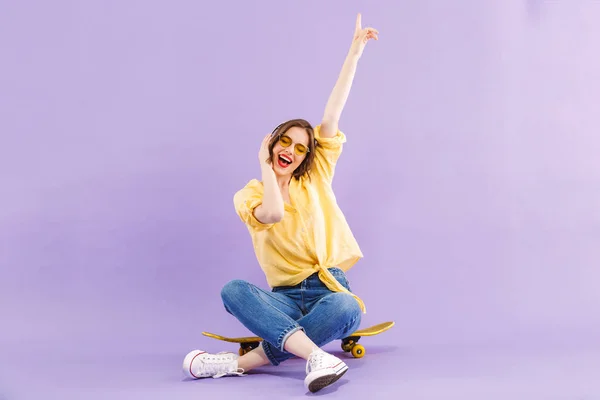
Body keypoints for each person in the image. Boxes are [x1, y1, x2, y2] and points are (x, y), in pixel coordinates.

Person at [182, 13, 378, 393]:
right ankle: (317, 356)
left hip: (327, 289)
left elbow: (331, 114)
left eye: (301, 148)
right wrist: (266, 169)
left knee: (347, 308)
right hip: (283, 299)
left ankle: (238, 364)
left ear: (308, 157)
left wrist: (354, 53)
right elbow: (271, 215)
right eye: (284, 142)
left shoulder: (316, 177)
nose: (291, 150)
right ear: (272, 143)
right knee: (233, 290)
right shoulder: (251, 193)